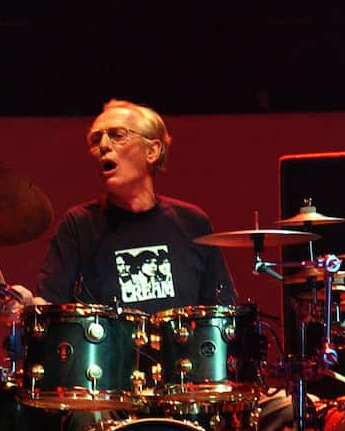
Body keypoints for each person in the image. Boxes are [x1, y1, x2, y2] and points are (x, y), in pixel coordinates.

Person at [20, 98, 235, 313]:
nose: (103, 146)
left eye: (117, 135)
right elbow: (49, 305)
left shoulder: (192, 222)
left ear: (152, 151)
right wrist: (27, 306)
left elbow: (222, 312)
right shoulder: (79, 225)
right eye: (96, 139)